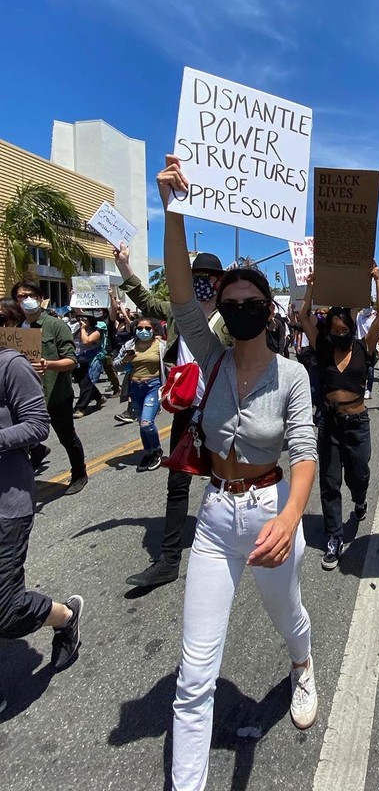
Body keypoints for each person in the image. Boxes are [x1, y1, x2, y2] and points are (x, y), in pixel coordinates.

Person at [158, 155, 318, 791]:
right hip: (215, 518)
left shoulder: (293, 376)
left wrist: (289, 515)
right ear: (222, 309)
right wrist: (173, 210)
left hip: (270, 513)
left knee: (290, 617)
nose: (244, 307)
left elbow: (304, 453)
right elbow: (175, 291)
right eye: (234, 300)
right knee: (196, 672)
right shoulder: (212, 355)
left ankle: (303, 664)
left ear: (269, 311)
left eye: (255, 300)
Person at [113, 243, 231, 588]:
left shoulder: (230, 316)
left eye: (208, 278)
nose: (201, 283)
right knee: (177, 481)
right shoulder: (182, 310)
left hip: (221, 410)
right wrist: (124, 266)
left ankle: (232, 543)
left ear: (220, 282)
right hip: (186, 411)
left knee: (226, 479)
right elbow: (147, 302)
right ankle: (168, 560)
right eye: (196, 277)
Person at [0, 343, 84, 705]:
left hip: (6, 504)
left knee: (4, 610)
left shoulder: (10, 364)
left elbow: (37, 426)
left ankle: (65, 617)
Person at [299, 267, 379, 570]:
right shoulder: (323, 348)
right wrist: (311, 286)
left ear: (351, 329)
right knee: (329, 481)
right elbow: (303, 318)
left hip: (357, 424)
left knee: (358, 474)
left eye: (343, 331)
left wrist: (376, 279)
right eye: (334, 331)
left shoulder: (364, 347)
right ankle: (334, 536)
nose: (339, 335)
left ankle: (360, 500)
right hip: (330, 424)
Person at [10, 280, 88, 494]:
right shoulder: (17, 331)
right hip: (26, 396)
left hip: (56, 395)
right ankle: (31, 463)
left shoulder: (56, 325)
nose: (25, 300)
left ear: (39, 297)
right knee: (21, 438)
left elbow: (71, 360)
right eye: (20, 296)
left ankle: (79, 473)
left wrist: (49, 364)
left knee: (67, 437)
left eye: (29, 295)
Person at [114, 318, 166, 471]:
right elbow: (116, 366)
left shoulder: (161, 346)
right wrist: (125, 360)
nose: (144, 331)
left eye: (148, 328)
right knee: (140, 421)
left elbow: (170, 365)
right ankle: (148, 452)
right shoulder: (129, 345)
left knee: (146, 422)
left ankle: (156, 450)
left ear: (153, 330)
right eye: (140, 328)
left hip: (153, 386)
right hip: (135, 387)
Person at [71, 310, 107, 418]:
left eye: (84, 319)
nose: (81, 321)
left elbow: (86, 341)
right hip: (78, 360)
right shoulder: (75, 330)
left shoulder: (97, 331)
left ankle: (81, 408)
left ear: (90, 321)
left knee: (86, 383)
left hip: (91, 361)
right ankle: (100, 398)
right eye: (80, 319)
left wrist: (83, 329)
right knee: (84, 382)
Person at [356, 304, 377, 399]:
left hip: (370, 347)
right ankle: (361, 388)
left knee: (370, 370)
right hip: (359, 346)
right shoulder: (358, 317)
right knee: (360, 368)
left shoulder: (373, 319)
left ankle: (369, 390)